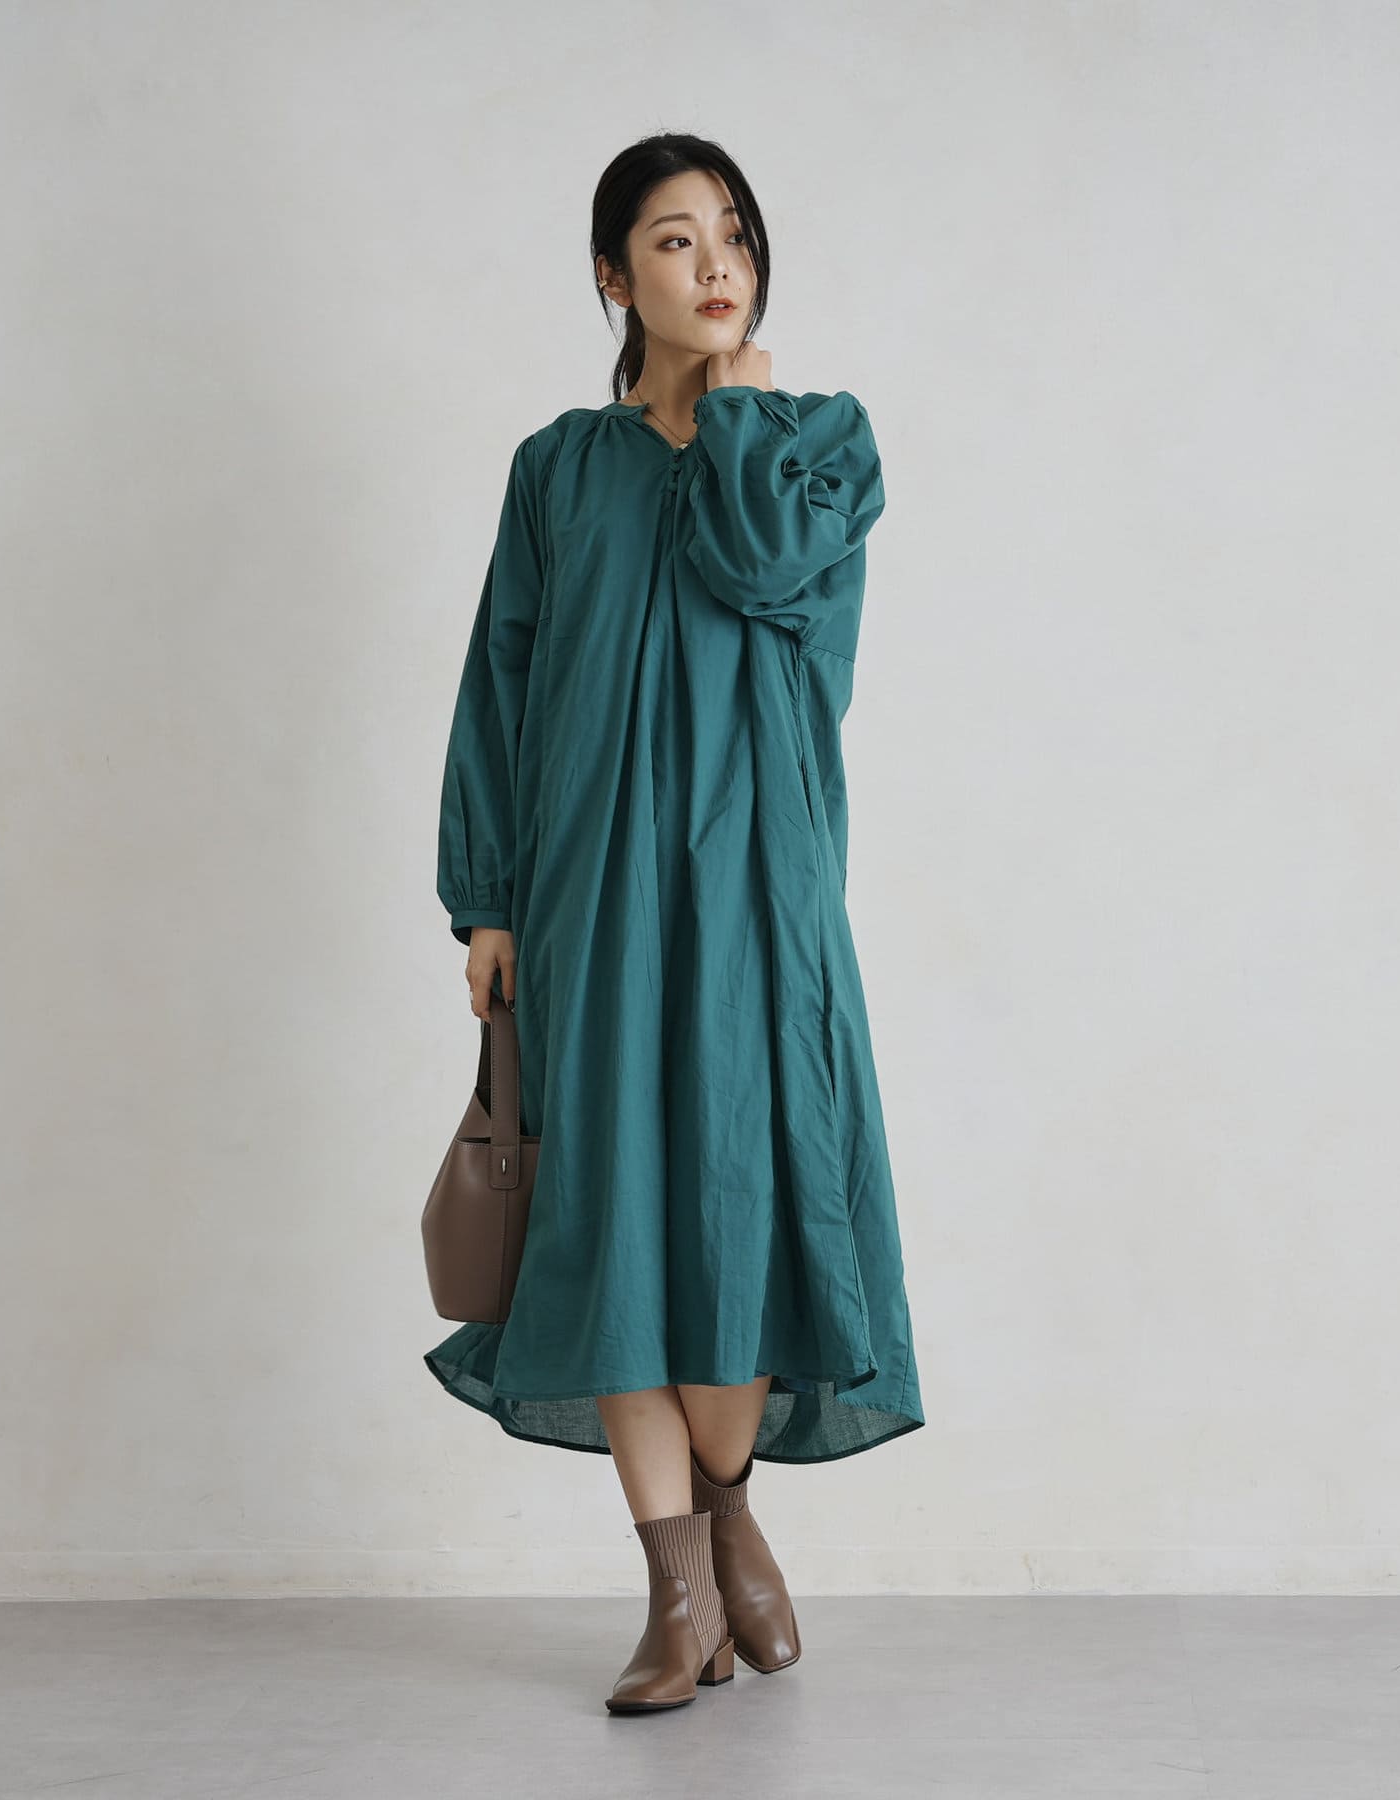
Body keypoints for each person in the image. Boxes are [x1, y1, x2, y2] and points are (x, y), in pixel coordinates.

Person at [423, 132, 925, 1713]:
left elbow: (765, 563)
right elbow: (501, 681)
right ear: (611, 275)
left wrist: (744, 412)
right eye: (672, 238)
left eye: (735, 237)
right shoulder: (557, 467)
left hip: (760, 892)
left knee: (733, 1215)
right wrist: (487, 899)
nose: (715, 265)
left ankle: (726, 1507)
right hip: (585, 896)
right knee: (609, 1227)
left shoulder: (820, 444)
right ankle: (676, 1593)